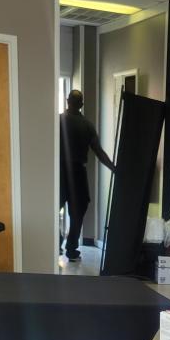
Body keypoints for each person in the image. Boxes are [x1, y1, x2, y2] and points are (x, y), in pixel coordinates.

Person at [60, 89, 115, 262]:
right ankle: (71, 248)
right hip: (77, 172)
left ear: (67, 101)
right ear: (82, 104)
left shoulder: (57, 120)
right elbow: (98, 151)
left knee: (53, 209)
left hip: (59, 172)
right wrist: (113, 168)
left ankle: (58, 243)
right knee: (78, 212)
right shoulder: (87, 125)